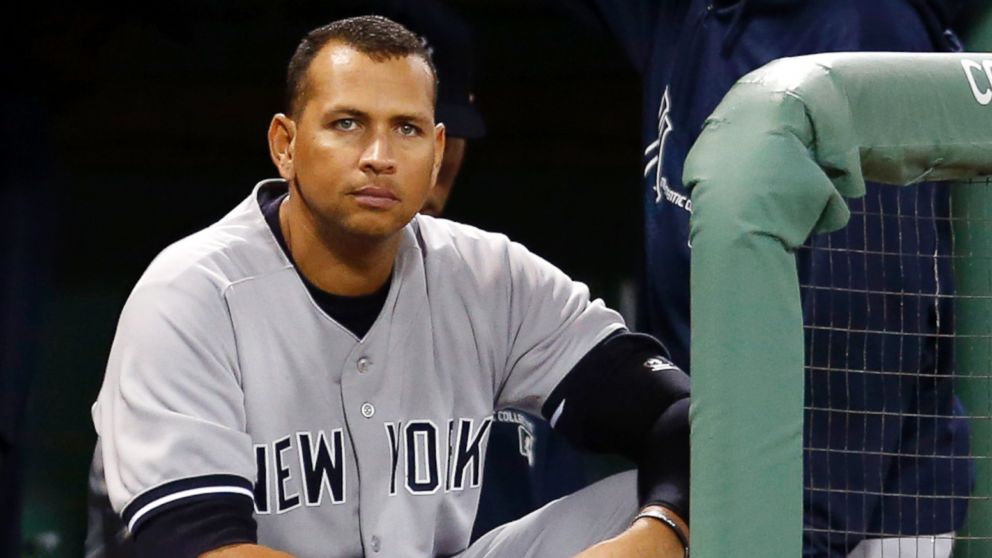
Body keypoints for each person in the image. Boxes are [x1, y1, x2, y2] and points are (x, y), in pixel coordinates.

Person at [91, 15, 691, 558]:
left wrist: (664, 531)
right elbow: (201, 546)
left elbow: (679, 414)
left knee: (666, 500)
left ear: (436, 154)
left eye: (405, 129)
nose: (379, 156)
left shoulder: (490, 275)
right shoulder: (190, 294)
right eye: (347, 124)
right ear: (286, 144)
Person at [557, 0, 972, 556]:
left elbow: (869, 330)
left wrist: (794, 537)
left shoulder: (864, 27)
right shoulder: (686, 14)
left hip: (860, 516)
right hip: (726, 484)